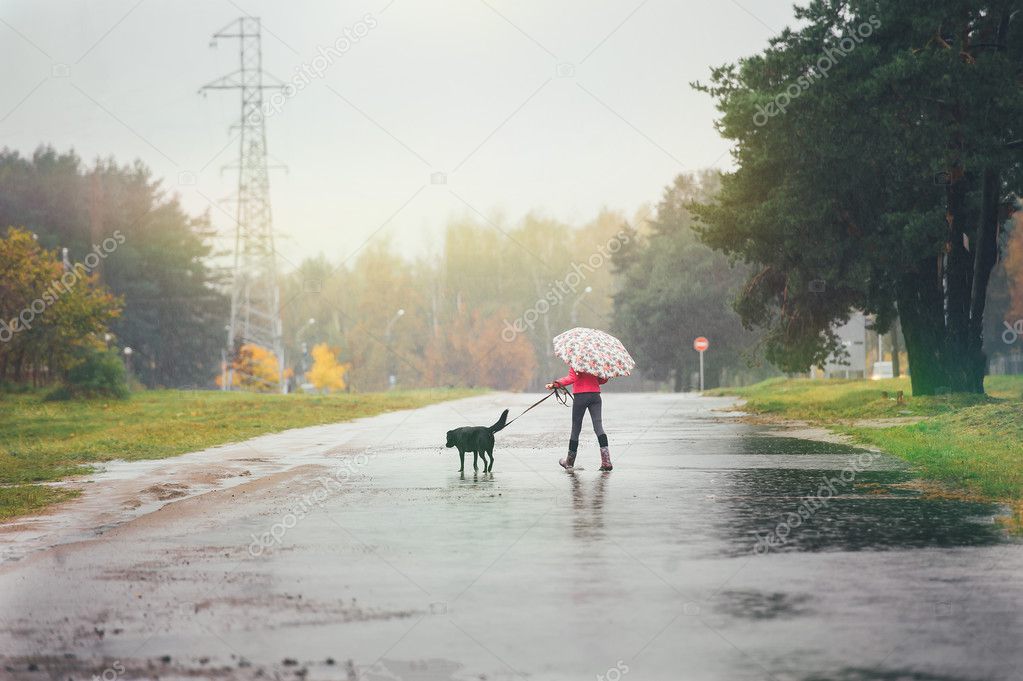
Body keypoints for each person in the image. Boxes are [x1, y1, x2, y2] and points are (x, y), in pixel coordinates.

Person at [546, 366, 612, 471]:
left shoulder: (577, 361)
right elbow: (602, 380)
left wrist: (555, 384)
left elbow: (571, 378)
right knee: (598, 427)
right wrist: (605, 374)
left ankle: (569, 462)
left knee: (576, 428)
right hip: (595, 396)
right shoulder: (595, 362)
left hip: (581, 396)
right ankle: (606, 462)